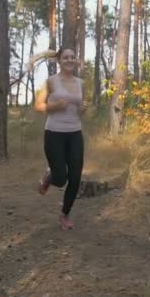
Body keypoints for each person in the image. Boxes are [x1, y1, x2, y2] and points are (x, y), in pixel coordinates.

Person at [34, 47, 88, 230]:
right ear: (59, 61)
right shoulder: (50, 82)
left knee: (75, 178)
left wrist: (83, 110)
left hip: (75, 133)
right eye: (66, 57)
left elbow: (81, 111)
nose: (69, 60)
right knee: (60, 178)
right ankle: (50, 177)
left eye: (72, 57)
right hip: (54, 133)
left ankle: (64, 215)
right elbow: (38, 106)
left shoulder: (81, 83)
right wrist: (55, 105)